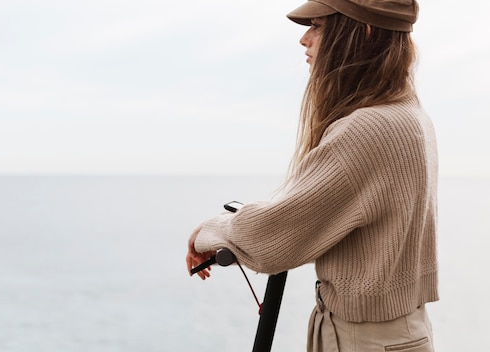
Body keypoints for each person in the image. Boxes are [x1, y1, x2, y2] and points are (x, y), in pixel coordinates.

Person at [185, 0, 439, 351]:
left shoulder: (368, 129)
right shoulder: (409, 114)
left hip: (364, 341)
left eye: (318, 26)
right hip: (398, 334)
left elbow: (273, 236)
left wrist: (208, 232)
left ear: (361, 33)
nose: (305, 39)